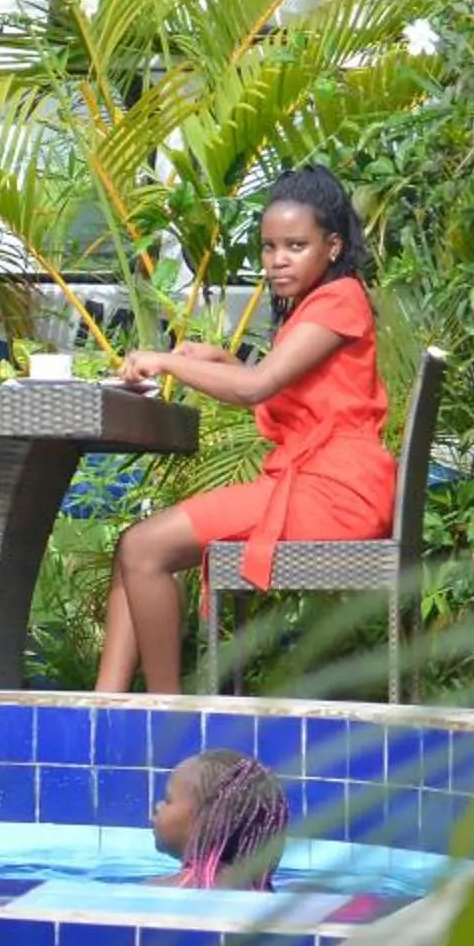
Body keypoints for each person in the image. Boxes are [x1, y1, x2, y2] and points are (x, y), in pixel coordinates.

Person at [96, 164, 394, 695]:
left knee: (144, 548)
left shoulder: (340, 299)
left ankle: (166, 715)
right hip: (315, 483)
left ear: (332, 246)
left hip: (335, 493)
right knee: (133, 547)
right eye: (269, 247)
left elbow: (258, 388)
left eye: (295, 246)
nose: (277, 260)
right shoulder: (317, 304)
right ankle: (106, 707)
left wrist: (168, 362)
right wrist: (220, 359)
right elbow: (277, 389)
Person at [151, 748, 288, 891]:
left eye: (168, 800)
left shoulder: (163, 889)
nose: (158, 807)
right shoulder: (261, 890)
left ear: (207, 821)